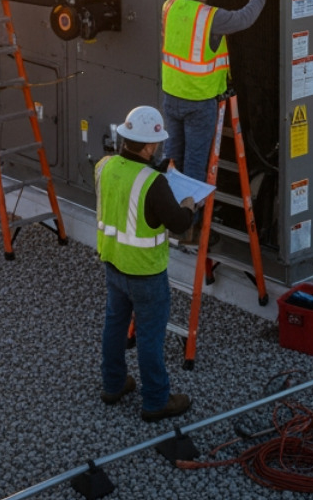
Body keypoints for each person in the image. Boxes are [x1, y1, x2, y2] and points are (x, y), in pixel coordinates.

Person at [96, 105, 196, 421]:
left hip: (113, 264)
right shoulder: (153, 183)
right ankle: (155, 402)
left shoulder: (104, 166)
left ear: (126, 137)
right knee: (150, 339)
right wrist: (189, 205)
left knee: (114, 326)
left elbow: (126, 194)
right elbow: (178, 223)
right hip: (146, 273)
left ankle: (113, 385)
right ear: (150, 145)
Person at [161, 0, 274, 181]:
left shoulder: (170, 6)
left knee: (172, 160)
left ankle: (169, 209)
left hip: (171, 97)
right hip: (199, 103)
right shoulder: (211, 17)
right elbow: (245, 18)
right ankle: (189, 215)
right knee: (194, 165)